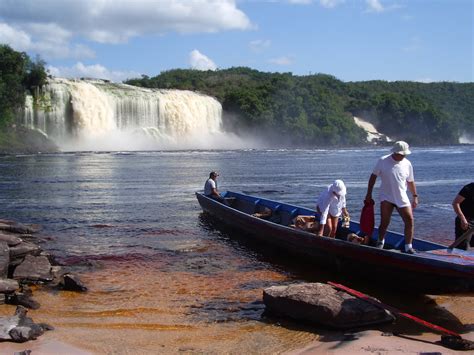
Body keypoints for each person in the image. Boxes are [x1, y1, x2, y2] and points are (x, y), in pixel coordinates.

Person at [365, 141, 418, 254]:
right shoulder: (383, 161)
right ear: (395, 152)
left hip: (401, 197)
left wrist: (415, 196)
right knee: (385, 222)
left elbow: (410, 181)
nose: (404, 156)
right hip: (386, 197)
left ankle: (408, 246)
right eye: (402, 154)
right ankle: (380, 242)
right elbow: (373, 177)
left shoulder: (407, 163)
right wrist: (368, 194)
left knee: (409, 220)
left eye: (405, 154)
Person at [452, 182, 474, 250]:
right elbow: (455, 203)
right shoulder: (468, 188)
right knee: (462, 247)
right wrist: (463, 219)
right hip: (465, 221)